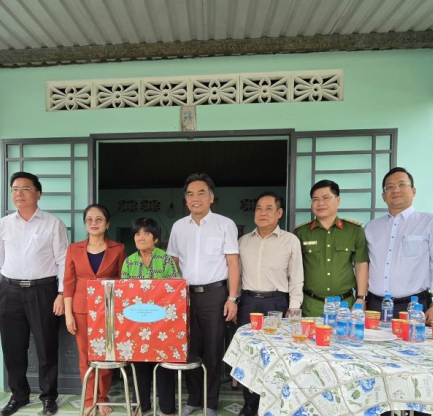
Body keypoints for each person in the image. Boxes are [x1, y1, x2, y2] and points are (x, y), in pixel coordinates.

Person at [0, 172, 69, 416]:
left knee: (46, 346)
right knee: (13, 347)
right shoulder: (3, 224)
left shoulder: (53, 223)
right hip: (10, 291)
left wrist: (62, 293)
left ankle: (48, 397)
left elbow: (63, 261)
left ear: (38, 194)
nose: (18, 193)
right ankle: (19, 395)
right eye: (15, 189)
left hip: (44, 290)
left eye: (25, 189)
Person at [167, 173, 239, 416]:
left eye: (201, 193)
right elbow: (173, 263)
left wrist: (232, 298)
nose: (195, 198)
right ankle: (194, 398)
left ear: (211, 197)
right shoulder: (178, 227)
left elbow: (233, 263)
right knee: (190, 349)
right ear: (185, 199)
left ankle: (210, 403)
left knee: (213, 349)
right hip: (185, 296)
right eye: (190, 194)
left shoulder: (224, 224)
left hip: (214, 294)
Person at [236, 192, 303, 416]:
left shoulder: (290, 240)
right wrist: (235, 301)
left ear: (279, 213)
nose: (262, 213)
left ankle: (274, 403)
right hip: (248, 302)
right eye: (258, 208)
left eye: (268, 208)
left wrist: (294, 308)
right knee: (250, 354)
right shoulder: (243, 241)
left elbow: (296, 277)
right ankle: (250, 403)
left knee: (276, 354)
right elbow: (236, 275)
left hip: (277, 303)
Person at [364, 167, 433, 322]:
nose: (396, 190)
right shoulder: (371, 227)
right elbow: (364, 266)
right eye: (390, 187)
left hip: (414, 307)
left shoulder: (432, 223)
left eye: (402, 184)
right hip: (374, 306)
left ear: (413, 191)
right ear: (384, 196)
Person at [63, 204, 126, 416]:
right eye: (89, 219)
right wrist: (68, 314)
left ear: (107, 224)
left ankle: (103, 397)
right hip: (81, 309)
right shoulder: (73, 249)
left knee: (106, 355)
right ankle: (90, 399)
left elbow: (123, 282)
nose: (94, 223)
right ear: (85, 224)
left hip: (108, 309)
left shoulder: (118, 248)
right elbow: (68, 283)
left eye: (99, 219)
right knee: (85, 356)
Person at [121, 217, 180, 416]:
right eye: (137, 234)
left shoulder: (166, 260)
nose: (141, 237)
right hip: (136, 322)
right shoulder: (129, 262)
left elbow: (174, 291)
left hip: (163, 322)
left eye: (146, 233)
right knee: (139, 364)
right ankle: (141, 405)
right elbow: (124, 295)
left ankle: (167, 408)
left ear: (155, 239)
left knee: (163, 364)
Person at [294, 180, 368, 317]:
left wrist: (361, 298)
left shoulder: (353, 230)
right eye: (315, 199)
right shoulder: (301, 232)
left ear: (338, 200)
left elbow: (361, 264)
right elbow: (294, 270)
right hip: (311, 306)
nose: (320, 203)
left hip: (345, 305)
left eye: (326, 198)